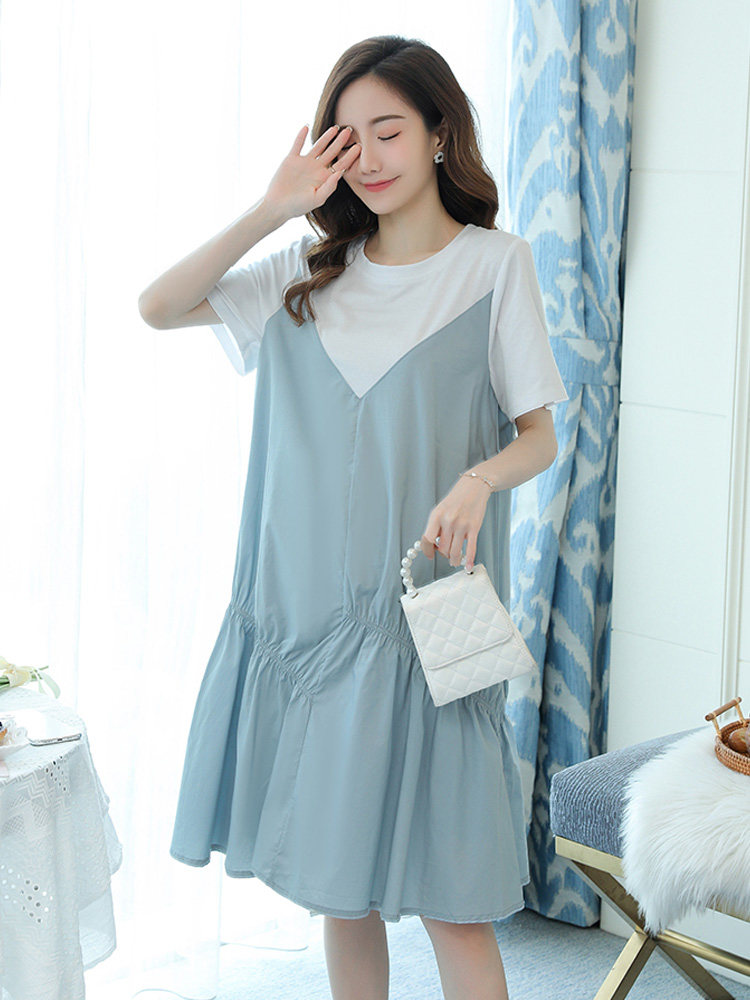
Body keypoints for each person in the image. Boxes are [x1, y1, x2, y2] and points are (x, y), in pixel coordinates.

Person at [139, 34, 568, 1000]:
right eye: (346, 137)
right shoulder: (306, 271)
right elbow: (158, 306)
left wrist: (479, 480)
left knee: (457, 902)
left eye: (389, 131)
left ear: (440, 133)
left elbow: (540, 437)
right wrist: (271, 207)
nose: (368, 157)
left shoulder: (494, 267)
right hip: (310, 622)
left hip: (435, 618)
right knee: (343, 894)